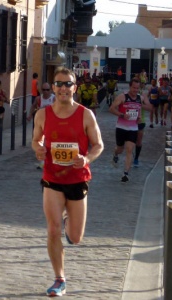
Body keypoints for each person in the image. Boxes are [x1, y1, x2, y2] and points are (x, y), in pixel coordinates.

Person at [32, 66, 104, 297]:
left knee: (75, 237)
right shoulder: (43, 114)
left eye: (68, 84)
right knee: (52, 229)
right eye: (59, 84)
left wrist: (86, 159)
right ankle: (59, 279)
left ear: (75, 87)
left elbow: (98, 145)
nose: (63, 88)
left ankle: (68, 225)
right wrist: (39, 149)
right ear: (53, 87)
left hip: (77, 179)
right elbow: (35, 140)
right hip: (52, 178)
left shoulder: (85, 114)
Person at [110, 78, 148, 182]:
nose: (135, 90)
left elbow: (139, 110)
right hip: (121, 128)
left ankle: (125, 173)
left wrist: (139, 117)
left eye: (137, 88)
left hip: (133, 128)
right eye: (134, 88)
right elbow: (112, 108)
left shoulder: (140, 98)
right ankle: (115, 154)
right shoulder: (123, 96)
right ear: (130, 87)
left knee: (129, 150)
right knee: (120, 149)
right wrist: (122, 115)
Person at [27, 82, 55, 169]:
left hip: (51, 123)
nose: (46, 92)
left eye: (47, 90)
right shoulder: (39, 99)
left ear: (50, 90)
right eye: (44, 90)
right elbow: (33, 106)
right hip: (40, 123)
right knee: (39, 142)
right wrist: (30, 115)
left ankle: (49, 161)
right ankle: (42, 161)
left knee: (49, 142)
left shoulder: (54, 99)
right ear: (41, 90)